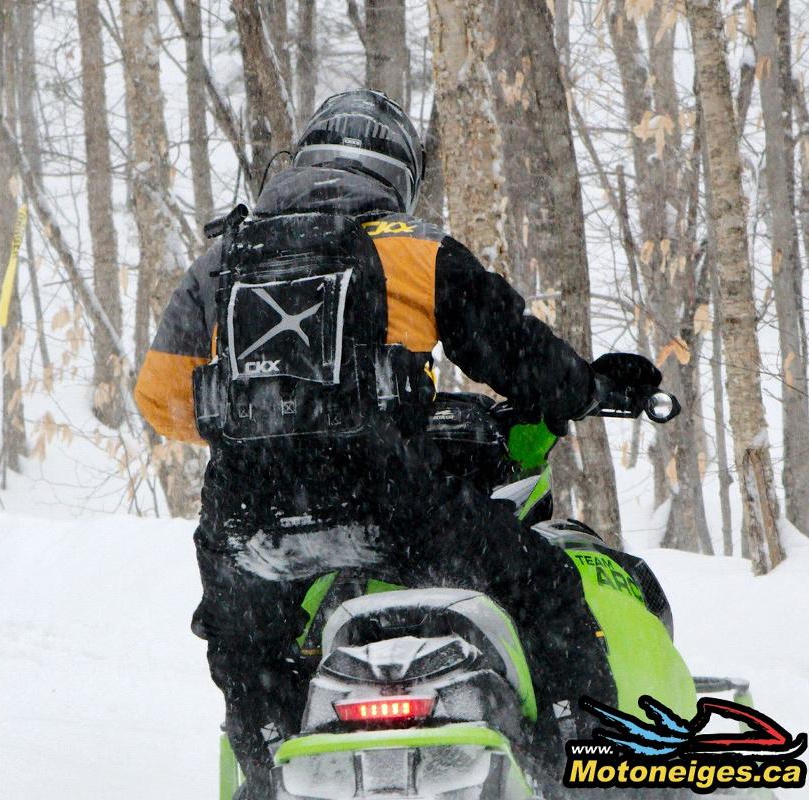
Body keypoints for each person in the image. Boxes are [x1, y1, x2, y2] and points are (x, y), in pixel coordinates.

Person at [133, 89, 652, 798]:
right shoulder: (411, 248)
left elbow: (159, 398)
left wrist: (265, 422)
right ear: (398, 174)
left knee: (252, 661)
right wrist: (590, 390)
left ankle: (269, 765)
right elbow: (524, 362)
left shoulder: (219, 264)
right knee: (549, 589)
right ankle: (584, 764)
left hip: (247, 534)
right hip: (389, 514)